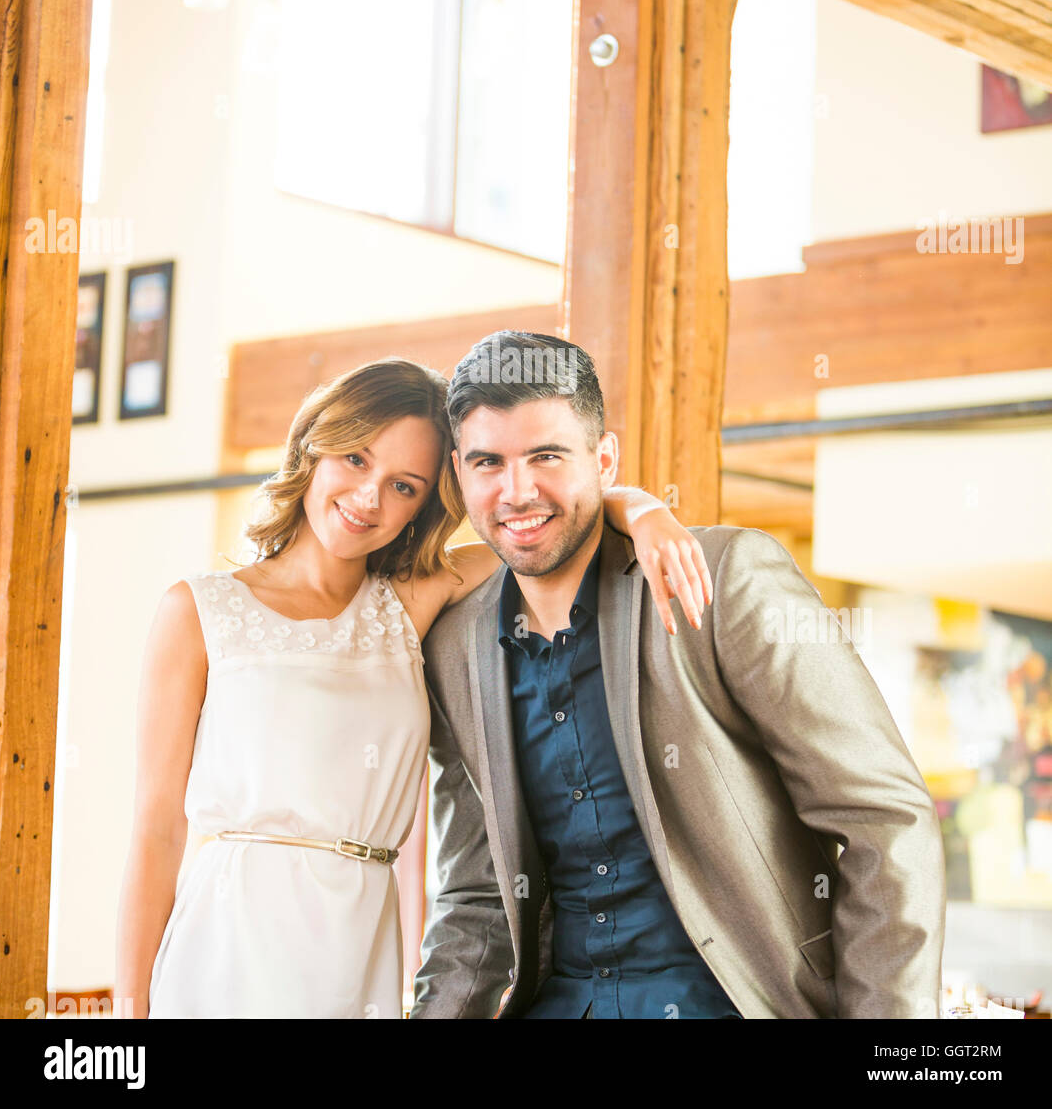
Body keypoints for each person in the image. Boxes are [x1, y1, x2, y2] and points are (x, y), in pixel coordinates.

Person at [114, 356, 711, 1019]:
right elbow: (156, 830)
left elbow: (556, 522)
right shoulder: (198, 610)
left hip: (359, 938)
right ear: (314, 447)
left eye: (404, 485)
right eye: (356, 459)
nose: (370, 498)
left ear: (426, 505)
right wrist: (130, 1010)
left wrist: (649, 512)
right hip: (225, 937)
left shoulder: (412, 601)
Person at [410, 330, 947, 1020]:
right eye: (489, 462)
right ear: (459, 472)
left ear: (604, 458)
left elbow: (883, 820)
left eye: (546, 455)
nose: (518, 491)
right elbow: (478, 897)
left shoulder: (726, 583)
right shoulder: (454, 648)